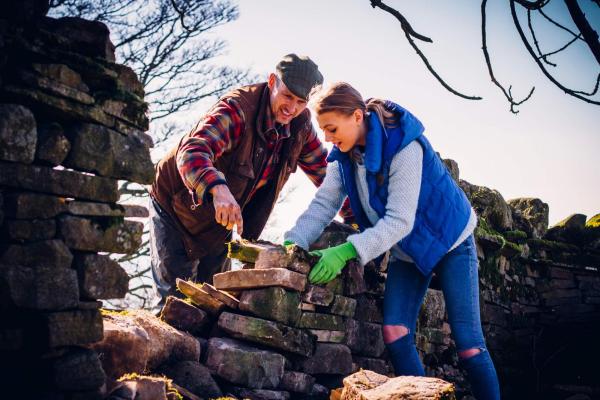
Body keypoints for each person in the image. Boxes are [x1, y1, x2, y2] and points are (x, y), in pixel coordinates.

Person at [284, 82, 500, 400]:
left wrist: (346, 251)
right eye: (323, 130)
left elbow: (399, 221)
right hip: (409, 249)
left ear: (356, 116)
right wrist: (292, 244)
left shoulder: (403, 146)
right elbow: (323, 205)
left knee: (469, 346)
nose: (327, 138)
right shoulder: (342, 158)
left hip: (450, 240)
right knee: (395, 333)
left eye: (331, 128)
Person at [149, 54, 352, 305]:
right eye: (287, 96)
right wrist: (217, 188)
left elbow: (327, 175)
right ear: (271, 82)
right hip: (175, 209)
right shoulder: (238, 109)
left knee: (211, 306)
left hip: (219, 224)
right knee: (175, 304)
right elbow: (192, 151)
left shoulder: (300, 127)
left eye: (301, 101)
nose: (292, 108)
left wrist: (357, 221)